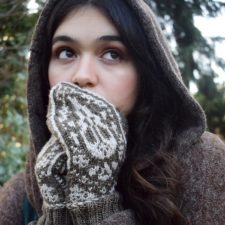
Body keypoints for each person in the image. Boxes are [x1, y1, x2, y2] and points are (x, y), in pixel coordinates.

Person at [1, 0, 225, 224]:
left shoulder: (205, 164)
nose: (82, 76)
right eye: (66, 52)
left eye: (112, 54)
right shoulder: (18, 196)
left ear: (145, 74)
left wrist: (93, 208)